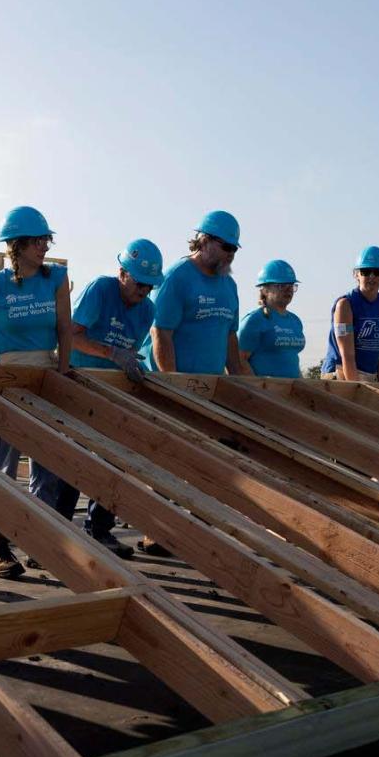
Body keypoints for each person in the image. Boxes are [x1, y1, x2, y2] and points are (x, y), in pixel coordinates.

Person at [0, 206, 72, 578]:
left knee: (47, 462)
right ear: (17, 245)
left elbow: (64, 328)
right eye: (37, 240)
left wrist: (61, 374)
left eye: (46, 240)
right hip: (7, 376)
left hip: (44, 373)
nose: (44, 246)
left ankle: (40, 540)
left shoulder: (57, 278)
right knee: (4, 462)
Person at [54, 239, 163, 559]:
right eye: (139, 283)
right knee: (75, 459)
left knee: (115, 460)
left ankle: (99, 529)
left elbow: (132, 349)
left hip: (114, 391)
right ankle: (58, 530)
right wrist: (112, 353)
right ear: (122, 273)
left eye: (149, 286)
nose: (143, 291)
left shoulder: (148, 309)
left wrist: (131, 361)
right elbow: (72, 336)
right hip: (83, 383)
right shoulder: (101, 290)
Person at [147, 211, 242, 375]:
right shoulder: (176, 278)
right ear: (204, 241)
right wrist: (174, 383)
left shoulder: (230, 286)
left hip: (211, 386)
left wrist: (239, 381)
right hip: (171, 385)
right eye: (226, 247)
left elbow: (230, 336)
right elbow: (161, 333)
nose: (231, 254)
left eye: (234, 249)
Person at [321, 246, 379, 382]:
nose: (372, 276)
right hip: (342, 374)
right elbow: (347, 355)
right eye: (366, 271)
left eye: (377, 271)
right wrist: (356, 388)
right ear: (356, 274)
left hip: (369, 376)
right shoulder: (345, 305)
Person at [238, 259, 305, 378]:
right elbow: (238, 360)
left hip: (291, 392)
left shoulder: (295, 321)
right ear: (265, 289)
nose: (288, 289)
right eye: (281, 285)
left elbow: (291, 360)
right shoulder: (254, 320)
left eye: (291, 285)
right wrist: (258, 389)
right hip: (265, 393)